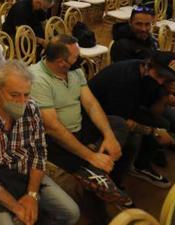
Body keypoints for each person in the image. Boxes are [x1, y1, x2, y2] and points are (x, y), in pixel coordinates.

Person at [0, 60, 80, 225]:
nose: (22, 101)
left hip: (25, 173)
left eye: (26, 94)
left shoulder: (31, 108)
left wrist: (31, 195)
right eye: (15, 95)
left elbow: (39, 152)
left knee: (71, 213)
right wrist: (18, 208)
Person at [30, 35, 132, 205]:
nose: (80, 59)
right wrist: (91, 155)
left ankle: (92, 170)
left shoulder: (74, 71)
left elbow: (91, 104)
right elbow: (54, 128)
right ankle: (93, 169)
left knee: (118, 124)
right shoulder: (37, 78)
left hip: (79, 127)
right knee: (58, 149)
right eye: (75, 57)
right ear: (62, 62)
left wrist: (109, 136)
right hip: (54, 137)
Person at [111, 7, 175, 138]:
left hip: (164, 84)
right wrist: (165, 95)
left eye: (147, 24)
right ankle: (166, 135)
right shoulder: (121, 46)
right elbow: (134, 83)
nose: (143, 28)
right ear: (130, 22)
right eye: (139, 24)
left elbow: (164, 66)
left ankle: (167, 133)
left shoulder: (150, 40)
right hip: (148, 95)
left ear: (152, 23)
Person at [88, 52, 175, 188]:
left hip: (124, 109)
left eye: (166, 79)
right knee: (131, 141)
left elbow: (157, 110)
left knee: (163, 123)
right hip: (97, 113)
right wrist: (155, 132)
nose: (160, 82)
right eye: (159, 76)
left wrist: (166, 93)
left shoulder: (156, 77)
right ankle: (111, 182)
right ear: (148, 65)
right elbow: (122, 120)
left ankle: (140, 166)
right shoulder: (125, 79)